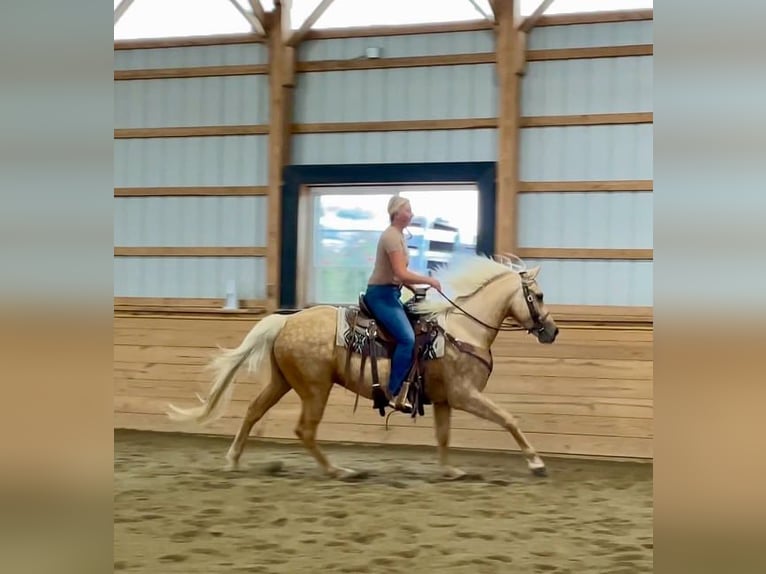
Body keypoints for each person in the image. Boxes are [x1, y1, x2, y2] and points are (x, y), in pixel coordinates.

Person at [363, 196, 442, 412]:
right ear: (396, 213)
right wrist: (429, 281)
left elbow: (399, 276)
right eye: (408, 209)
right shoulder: (391, 237)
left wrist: (415, 290)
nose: (412, 213)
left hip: (391, 294)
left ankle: (411, 384)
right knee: (407, 339)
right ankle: (394, 392)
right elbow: (399, 272)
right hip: (381, 295)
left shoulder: (398, 236)